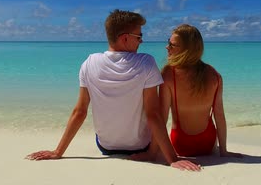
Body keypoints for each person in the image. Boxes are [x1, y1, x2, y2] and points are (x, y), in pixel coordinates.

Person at [26, 10, 200, 171]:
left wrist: (58, 151)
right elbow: (153, 114)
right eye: (139, 37)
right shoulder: (146, 63)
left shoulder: (89, 63)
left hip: (106, 147)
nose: (141, 41)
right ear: (124, 38)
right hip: (141, 146)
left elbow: (79, 112)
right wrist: (172, 159)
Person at [160, 24, 242, 157]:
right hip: (208, 143)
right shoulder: (214, 75)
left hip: (181, 144)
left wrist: (159, 151)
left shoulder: (168, 74)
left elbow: (162, 118)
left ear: (187, 50)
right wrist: (224, 151)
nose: (167, 47)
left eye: (172, 45)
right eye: (168, 42)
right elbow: (219, 115)